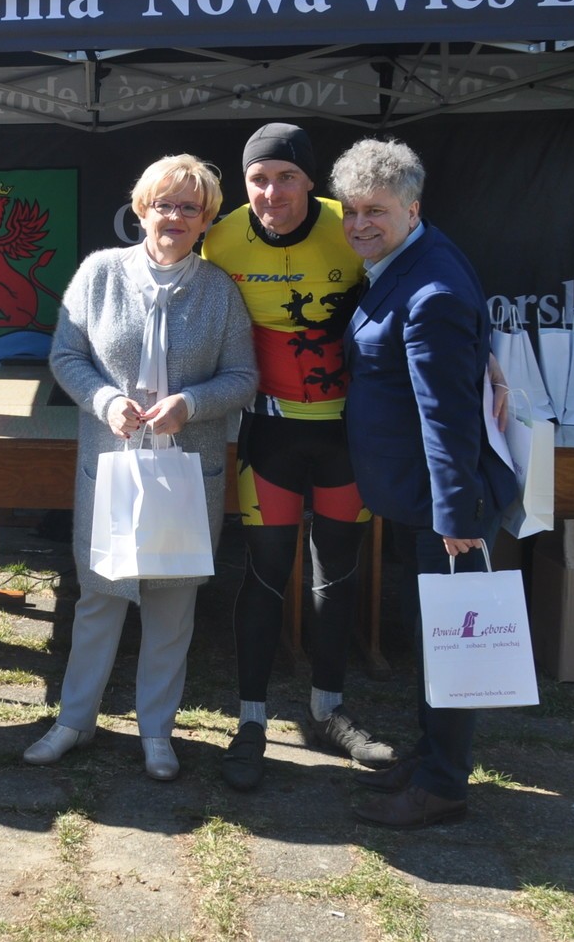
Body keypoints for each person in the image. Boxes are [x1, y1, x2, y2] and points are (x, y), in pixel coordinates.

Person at [27, 155, 256, 780]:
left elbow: (243, 377)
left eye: (190, 208)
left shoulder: (220, 291)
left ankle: (157, 733)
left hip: (187, 474)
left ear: (206, 220)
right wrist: (105, 401)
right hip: (111, 470)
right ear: (141, 210)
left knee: (172, 608)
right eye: (164, 204)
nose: (174, 217)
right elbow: (66, 356)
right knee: (99, 599)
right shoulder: (99, 274)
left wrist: (192, 404)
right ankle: (74, 721)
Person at [199, 123, 395, 791]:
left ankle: (328, 710)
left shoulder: (353, 223)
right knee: (263, 574)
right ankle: (251, 721)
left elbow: (423, 279)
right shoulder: (221, 237)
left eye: (287, 177)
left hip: (348, 436)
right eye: (258, 178)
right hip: (270, 435)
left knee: (336, 575)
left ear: (312, 181)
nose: (272, 191)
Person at [331, 138, 517, 829]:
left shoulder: (429, 287)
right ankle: (432, 755)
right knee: (434, 635)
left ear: (412, 208)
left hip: (448, 508)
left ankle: (443, 786)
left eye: (375, 211)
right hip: (423, 498)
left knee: (452, 644)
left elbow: (446, 416)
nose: (359, 225)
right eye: (350, 211)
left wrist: (456, 514)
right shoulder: (416, 257)